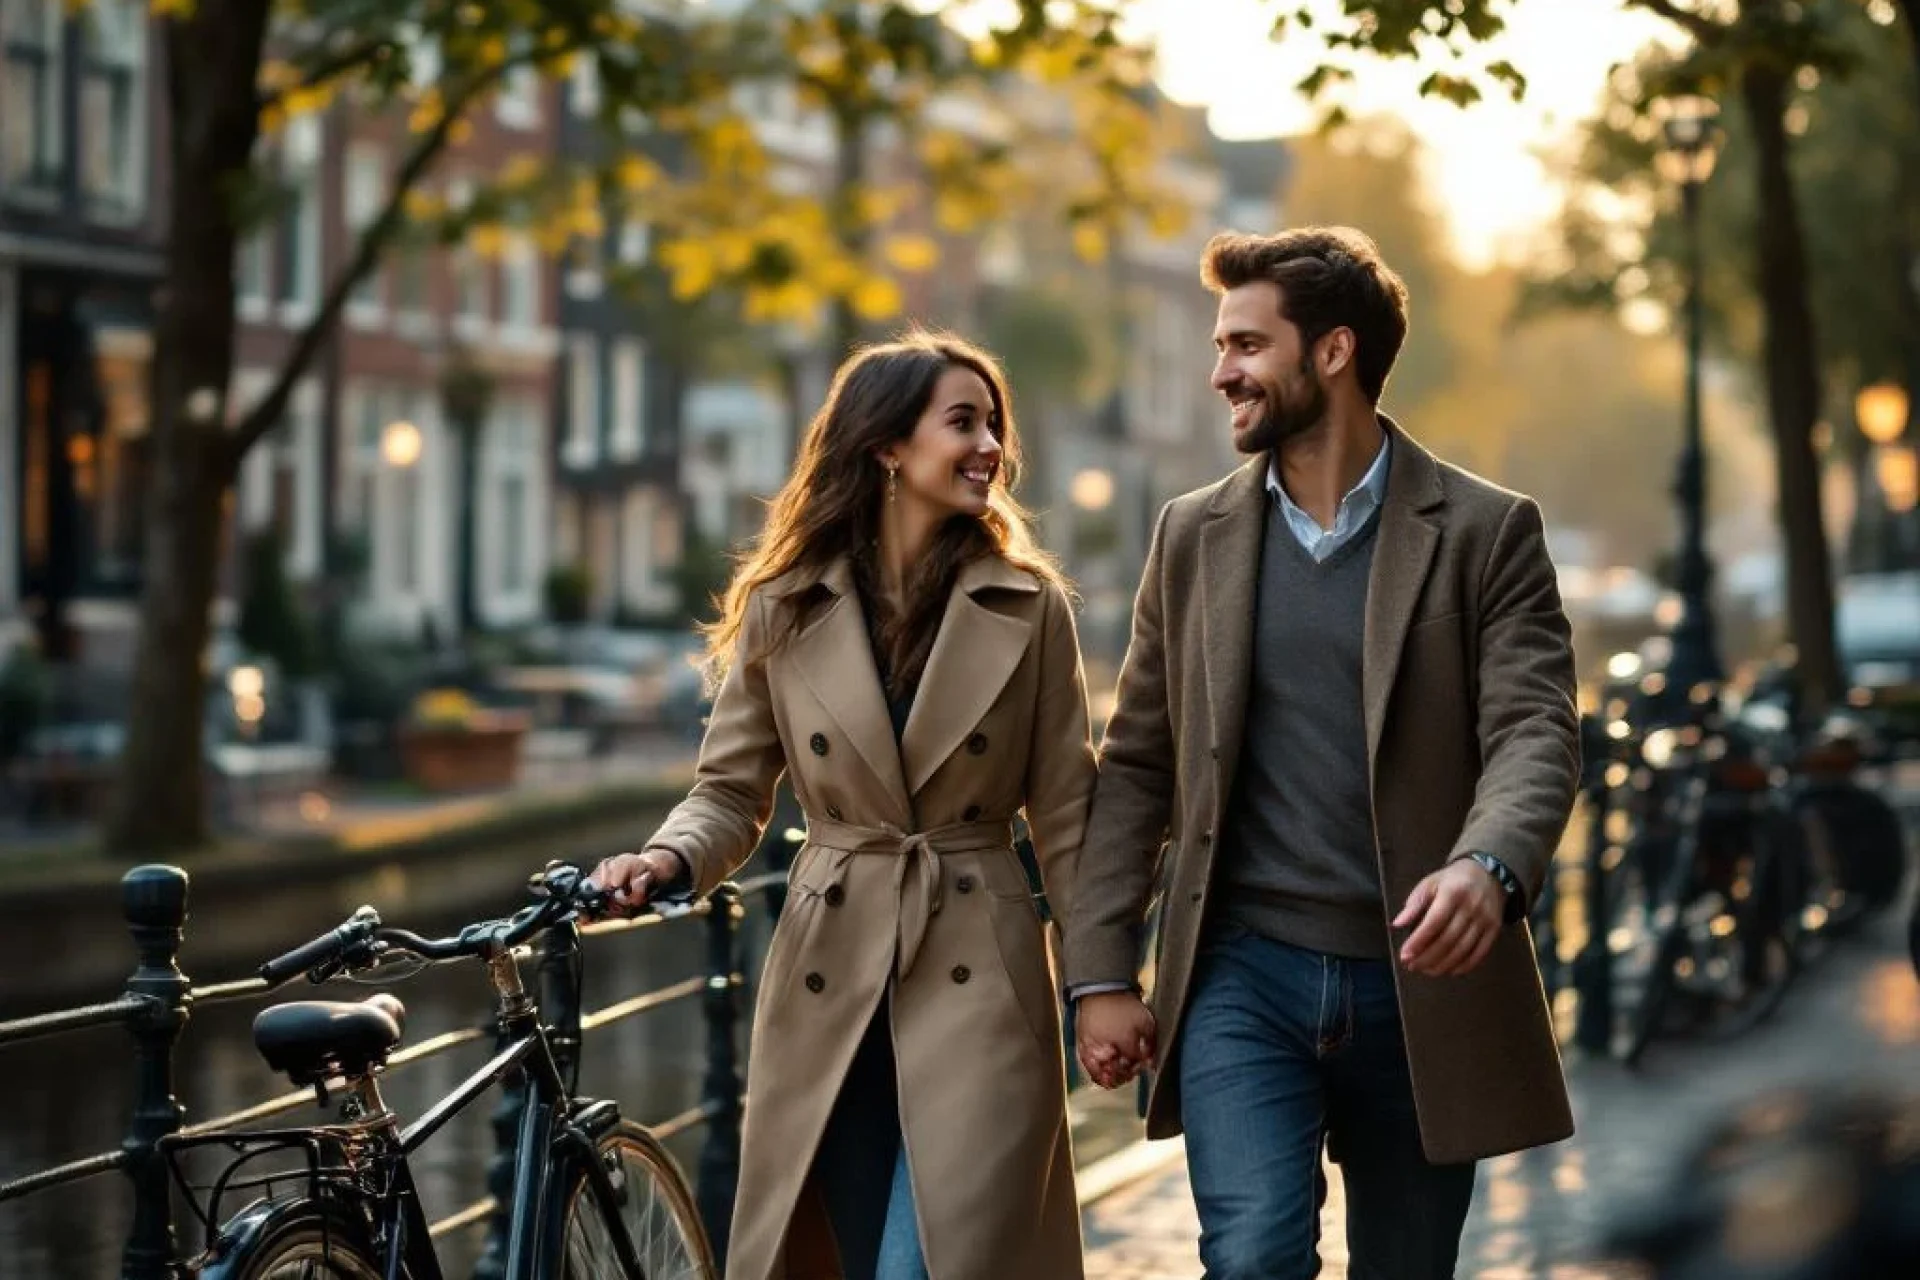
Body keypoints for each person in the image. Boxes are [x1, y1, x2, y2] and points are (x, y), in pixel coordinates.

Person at [1065, 226, 1581, 1279]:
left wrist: (1489, 865)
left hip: (1423, 981)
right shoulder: (1187, 535)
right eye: (1221, 347)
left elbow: (1534, 726)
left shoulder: (1486, 530)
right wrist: (1101, 973)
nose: (1222, 374)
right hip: (1240, 971)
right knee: (1251, 1256)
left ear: (1333, 352)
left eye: (1247, 346)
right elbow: (1139, 762)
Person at [590, 331, 1094, 1280]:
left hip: (979, 967)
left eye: (995, 425)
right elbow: (731, 789)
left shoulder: (1030, 608)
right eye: (963, 423)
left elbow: (1068, 816)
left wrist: (1102, 984)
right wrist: (665, 861)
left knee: (936, 1262)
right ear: (887, 447)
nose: (992, 445)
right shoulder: (785, 607)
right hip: (833, 980)